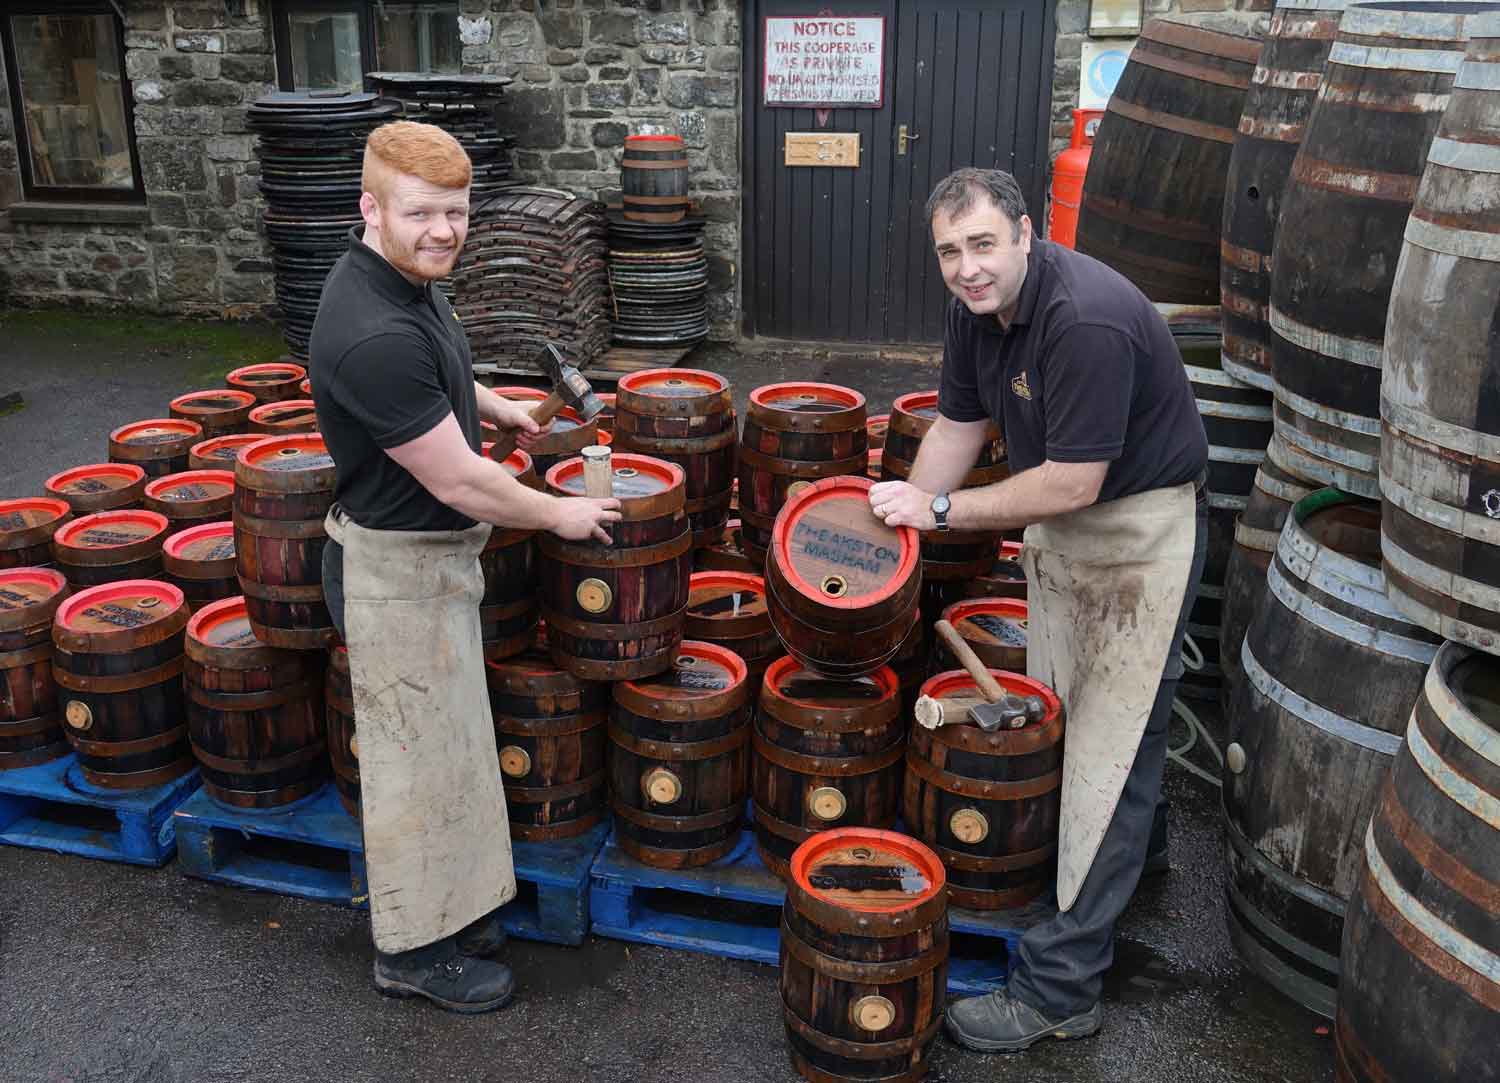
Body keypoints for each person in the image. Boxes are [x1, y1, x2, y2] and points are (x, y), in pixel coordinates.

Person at [869, 168, 1208, 1052]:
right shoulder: (976, 312)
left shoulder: (1082, 318)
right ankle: (1136, 861)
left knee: (1112, 752)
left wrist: (943, 513)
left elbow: (1072, 480)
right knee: (1070, 725)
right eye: (949, 251)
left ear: (1027, 231)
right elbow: (956, 428)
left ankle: (1060, 989)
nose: (967, 268)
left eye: (983, 244)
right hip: (1067, 540)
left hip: (1137, 538)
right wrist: (899, 524)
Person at [308, 121, 621, 1014]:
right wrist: (561, 511)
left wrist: (496, 404)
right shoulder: (371, 330)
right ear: (371, 207)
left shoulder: (404, 279)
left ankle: (456, 913)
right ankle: (410, 950)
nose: (444, 229)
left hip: (430, 562)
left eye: (456, 211)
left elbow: (440, 363)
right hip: (392, 574)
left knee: (450, 757)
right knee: (414, 767)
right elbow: (459, 477)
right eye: (421, 212)